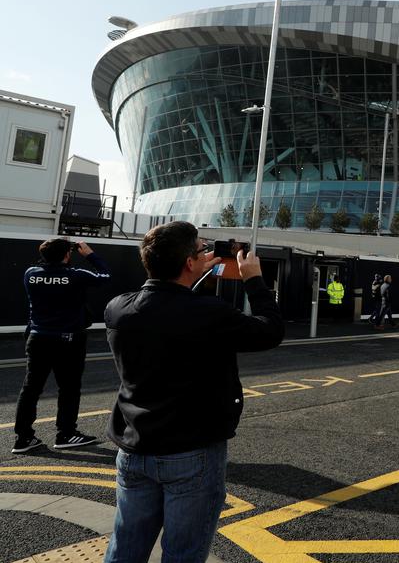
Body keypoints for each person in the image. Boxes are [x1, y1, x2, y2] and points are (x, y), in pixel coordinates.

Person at [103, 221, 284, 563]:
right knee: (182, 553)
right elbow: (270, 331)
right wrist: (253, 279)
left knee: (125, 545)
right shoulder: (209, 313)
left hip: (135, 448)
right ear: (188, 263)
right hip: (191, 453)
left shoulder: (118, 308)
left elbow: (163, 303)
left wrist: (195, 268)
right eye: (200, 249)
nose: (205, 252)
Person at [13, 239, 111, 454]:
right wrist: (89, 255)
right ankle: (66, 434)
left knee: (30, 389)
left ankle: (23, 438)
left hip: (38, 337)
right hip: (68, 340)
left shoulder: (31, 273)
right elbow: (105, 276)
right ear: (68, 255)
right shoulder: (76, 275)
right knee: (69, 388)